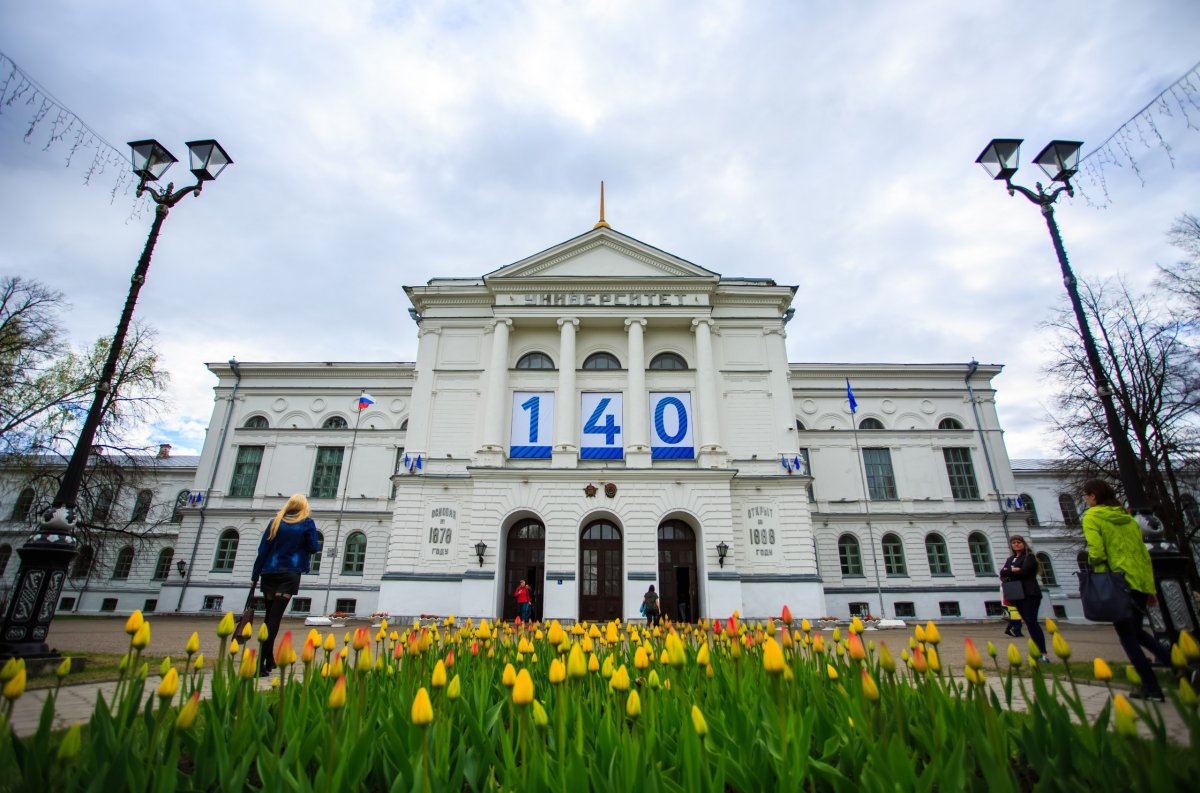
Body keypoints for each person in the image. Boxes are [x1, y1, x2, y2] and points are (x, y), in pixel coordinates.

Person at [1081, 478, 1172, 701]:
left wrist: (1091, 562)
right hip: (1137, 581)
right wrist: (1149, 588)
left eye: (1086, 495)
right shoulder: (1129, 519)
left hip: (1115, 582)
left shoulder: (1092, 516)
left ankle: (1152, 687)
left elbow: (1097, 552)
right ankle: (1178, 667)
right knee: (1136, 631)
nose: (1085, 499)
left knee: (1128, 636)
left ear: (1093, 496)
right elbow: (1143, 555)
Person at [251, 494, 321, 676]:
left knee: (268, 618)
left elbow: (262, 550)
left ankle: (269, 660)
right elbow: (313, 547)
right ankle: (260, 664)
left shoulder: (275, 522)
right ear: (304, 507)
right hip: (289, 573)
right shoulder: (306, 523)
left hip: (269, 572)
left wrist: (255, 575)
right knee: (275, 619)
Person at [998, 534, 1049, 662]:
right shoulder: (1011, 559)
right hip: (1017, 594)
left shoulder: (1029, 557)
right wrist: (1013, 570)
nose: (1016, 544)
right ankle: (1038, 651)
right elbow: (1002, 573)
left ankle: (1042, 653)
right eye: (1014, 542)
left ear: (1024, 544)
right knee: (1028, 622)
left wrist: (1010, 571)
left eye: (1018, 542)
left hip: (1030, 593)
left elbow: (1024, 572)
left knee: (1032, 622)